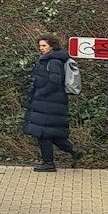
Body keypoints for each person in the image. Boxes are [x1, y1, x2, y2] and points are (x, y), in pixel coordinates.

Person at [23, 35, 79, 171]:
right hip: (51, 102)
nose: (41, 48)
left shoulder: (53, 62)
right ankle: (74, 152)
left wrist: (40, 93)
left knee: (42, 133)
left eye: (44, 46)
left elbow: (55, 82)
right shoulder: (48, 60)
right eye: (40, 46)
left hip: (49, 102)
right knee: (51, 132)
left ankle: (48, 163)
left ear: (51, 46)